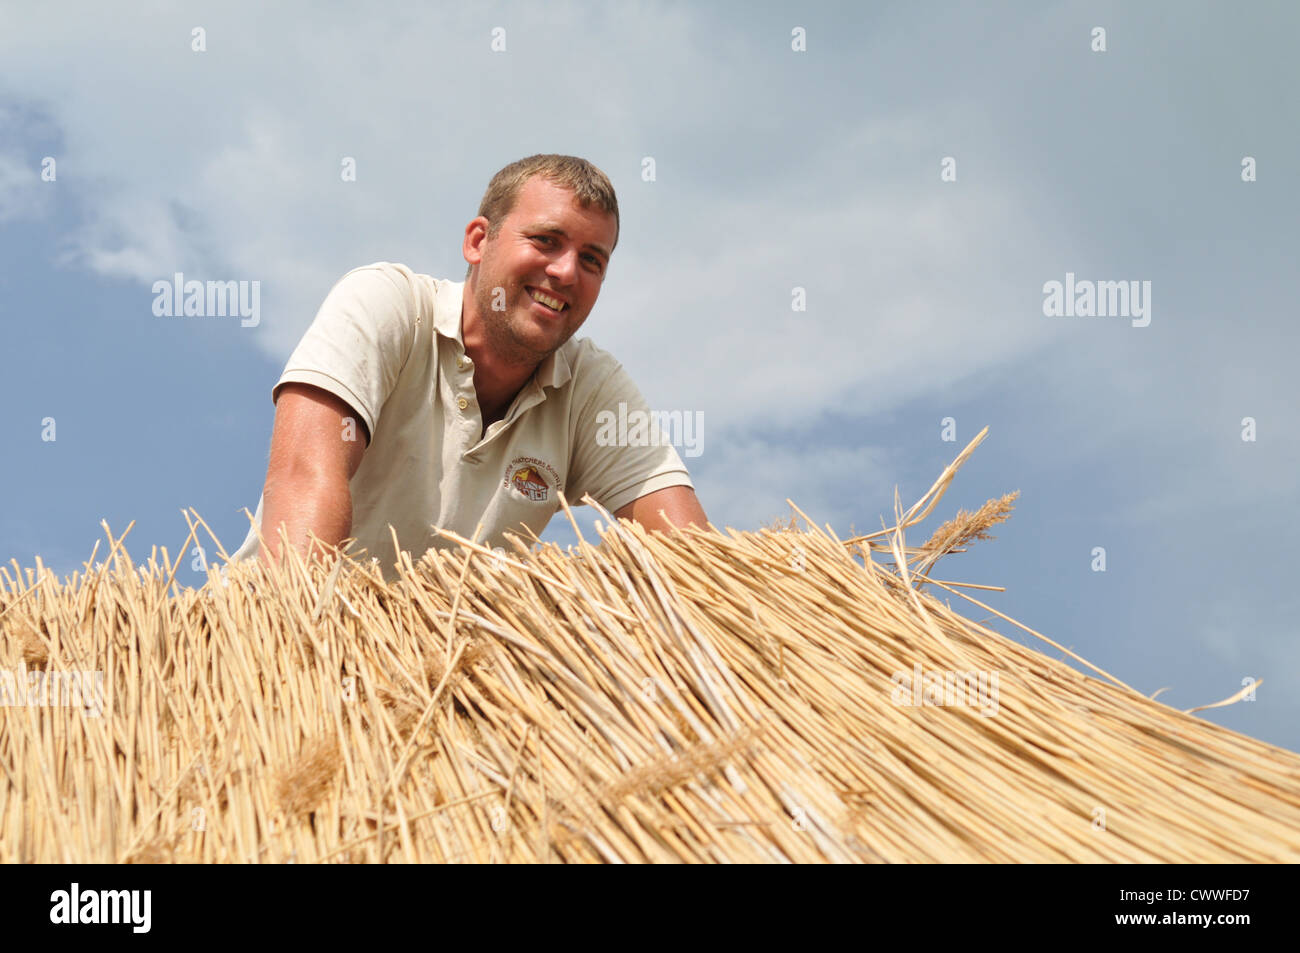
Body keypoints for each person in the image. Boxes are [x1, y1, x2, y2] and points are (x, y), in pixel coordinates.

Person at [228, 154, 708, 578]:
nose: (565, 272)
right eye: (546, 240)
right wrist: (307, 641)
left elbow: (689, 553)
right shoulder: (389, 305)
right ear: (479, 241)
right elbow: (305, 475)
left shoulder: (591, 387)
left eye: (591, 260)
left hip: (436, 669)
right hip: (272, 648)